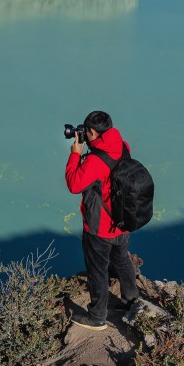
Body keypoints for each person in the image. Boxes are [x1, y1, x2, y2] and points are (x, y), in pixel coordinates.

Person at [64, 110, 140, 331]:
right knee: (122, 259)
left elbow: (74, 185)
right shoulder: (122, 145)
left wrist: (75, 154)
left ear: (91, 132)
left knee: (97, 270)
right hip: (122, 221)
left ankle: (97, 317)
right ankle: (131, 299)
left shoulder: (95, 161)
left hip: (100, 228)